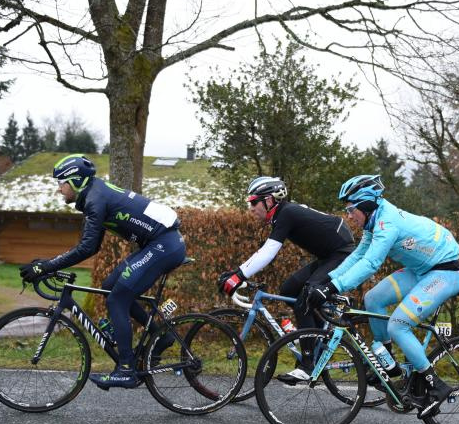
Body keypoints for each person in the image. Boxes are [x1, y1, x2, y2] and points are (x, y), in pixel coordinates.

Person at [303, 174, 459, 419]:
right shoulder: (373, 220)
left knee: (398, 325)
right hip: (421, 269)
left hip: (444, 272)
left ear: (366, 204)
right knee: (373, 299)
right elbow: (358, 256)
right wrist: (325, 281)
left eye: (351, 209)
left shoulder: (386, 224)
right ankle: (387, 364)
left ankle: (437, 386)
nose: (349, 215)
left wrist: (332, 288)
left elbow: (370, 263)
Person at [19, 155, 185, 390]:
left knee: (118, 299)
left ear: (75, 181)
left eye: (61, 183)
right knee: (109, 287)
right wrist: (49, 263)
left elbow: (88, 248)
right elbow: (89, 245)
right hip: (159, 243)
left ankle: (126, 369)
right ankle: (161, 336)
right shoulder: (94, 194)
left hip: (164, 246)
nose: (59, 189)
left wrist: (47, 266)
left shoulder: (95, 200)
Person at [217, 176, 356, 382]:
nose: (251, 207)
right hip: (329, 256)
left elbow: (268, 252)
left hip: (342, 254)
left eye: (254, 202)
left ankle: (308, 364)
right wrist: (238, 272)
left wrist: (238, 275)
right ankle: (318, 339)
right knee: (288, 289)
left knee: (306, 299)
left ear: (270, 200)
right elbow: (264, 251)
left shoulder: (286, 213)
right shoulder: (283, 214)